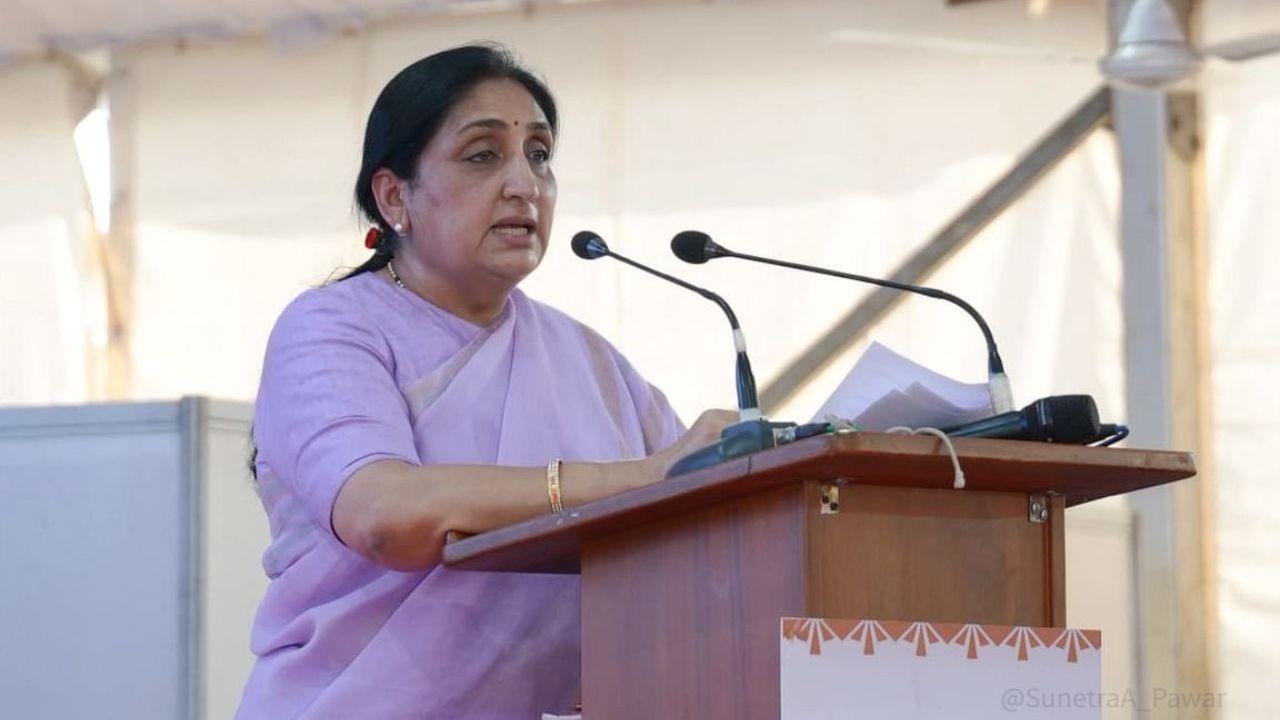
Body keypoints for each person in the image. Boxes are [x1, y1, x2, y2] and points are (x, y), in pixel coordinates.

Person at [235, 44, 736, 719]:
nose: (525, 184)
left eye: (540, 154)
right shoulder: (330, 329)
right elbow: (385, 515)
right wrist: (642, 478)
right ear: (394, 196)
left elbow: (700, 531)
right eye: (482, 155)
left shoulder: (590, 361)